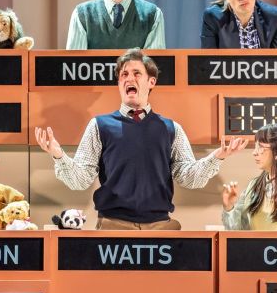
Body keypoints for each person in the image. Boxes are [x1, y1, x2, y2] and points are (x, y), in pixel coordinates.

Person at [35, 48, 247, 230]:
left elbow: (189, 178)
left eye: (137, 73)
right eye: (124, 75)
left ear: (151, 81)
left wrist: (217, 156)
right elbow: (79, 180)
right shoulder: (99, 126)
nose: (129, 78)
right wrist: (58, 155)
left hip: (161, 226)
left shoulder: (171, 128)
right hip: (113, 226)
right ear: (119, 83)